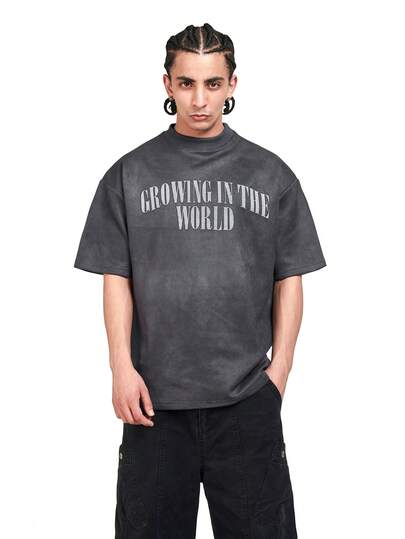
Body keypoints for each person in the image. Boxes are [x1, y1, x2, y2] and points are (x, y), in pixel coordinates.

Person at [74, 22, 326, 539]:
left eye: (212, 84)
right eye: (187, 83)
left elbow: (290, 277)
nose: (199, 100)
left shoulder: (270, 175)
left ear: (233, 84)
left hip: (246, 400)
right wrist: (120, 367)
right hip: (153, 403)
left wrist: (278, 372)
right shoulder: (129, 175)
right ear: (167, 83)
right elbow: (116, 277)